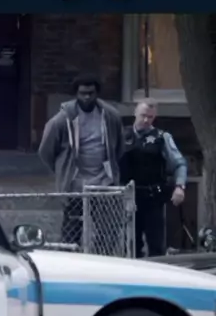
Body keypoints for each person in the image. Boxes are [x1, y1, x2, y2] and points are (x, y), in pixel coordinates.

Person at [38, 75, 125, 250]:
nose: (87, 97)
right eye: (83, 93)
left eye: (91, 93)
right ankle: (70, 261)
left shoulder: (111, 116)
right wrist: (63, 170)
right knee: (71, 234)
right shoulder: (62, 120)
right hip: (75, 185)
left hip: (103, 182)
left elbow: (119, 147)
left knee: (106, 232)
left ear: (97, 94)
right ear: (76, 94)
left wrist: (112, 171)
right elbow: (45, 151)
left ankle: (102, 261)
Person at [119, 100, 187, 257]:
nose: (146, 120)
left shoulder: (161, 137)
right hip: (127, 198)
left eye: (150, 117)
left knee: (156, 245)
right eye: (143, 115)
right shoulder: (121, 135)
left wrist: (179, 186)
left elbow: (179, 163)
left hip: (152, 197)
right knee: (130, 246)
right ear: (135, 113)